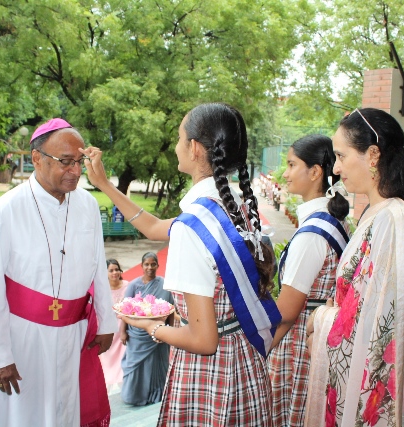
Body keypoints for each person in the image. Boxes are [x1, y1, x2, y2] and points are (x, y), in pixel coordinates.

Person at [83, 102, 281, 426]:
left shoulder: (196, 226)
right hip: (244, 361)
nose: (175, 146)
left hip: (210, 378)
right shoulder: (231, 206)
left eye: (179, 138)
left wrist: (152, 327)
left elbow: (203, 340)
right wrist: (105, 184)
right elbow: (154, 227)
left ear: (194, 148)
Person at [305, 108, 404, 427]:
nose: (336, 168)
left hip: (389, 374)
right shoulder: (377, 211)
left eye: (341, 155)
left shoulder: (393, 220)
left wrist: (320, 318)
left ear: (373, 154)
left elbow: (375, 320)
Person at [0, 118, 117, 427]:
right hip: (23, 338)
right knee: (24, 416)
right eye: (66, 162)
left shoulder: (88, 205)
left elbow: (97, 267)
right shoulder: (5, 210)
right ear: (37, 158)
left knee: (68, 413)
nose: (76, 171)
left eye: (80, 162)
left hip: (74, 334)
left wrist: (106, 321)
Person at [267, 135, 350, 427]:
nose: (286, 173)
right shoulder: (332, 220)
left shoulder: (312, 234)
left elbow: (287, 313)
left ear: (315, 172)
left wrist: (258, 349)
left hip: (299, 348)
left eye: (292, 165)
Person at [120, 252, 173, 406]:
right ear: (142, 266)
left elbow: (170, 309)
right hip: (137, 334)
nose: (150, 267)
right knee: (135, 366)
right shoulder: (133, 285)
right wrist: (123, 332)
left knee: (157, 365)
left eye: (153, 264)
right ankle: (134, 396)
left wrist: (169, 331)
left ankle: (156, 395)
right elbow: (125, 310)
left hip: (159, 334)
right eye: (146, 264)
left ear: (158, 265)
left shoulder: (164, 284)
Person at [98, 259, 129, 392]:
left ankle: (123, 381)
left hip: (123, 325)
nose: (115, 272)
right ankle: (108, 381)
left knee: (123, 355)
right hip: (109, 326)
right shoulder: (102, 289)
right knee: (107, 357)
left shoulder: (127, 286)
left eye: (117, 269)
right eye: (111, 270)